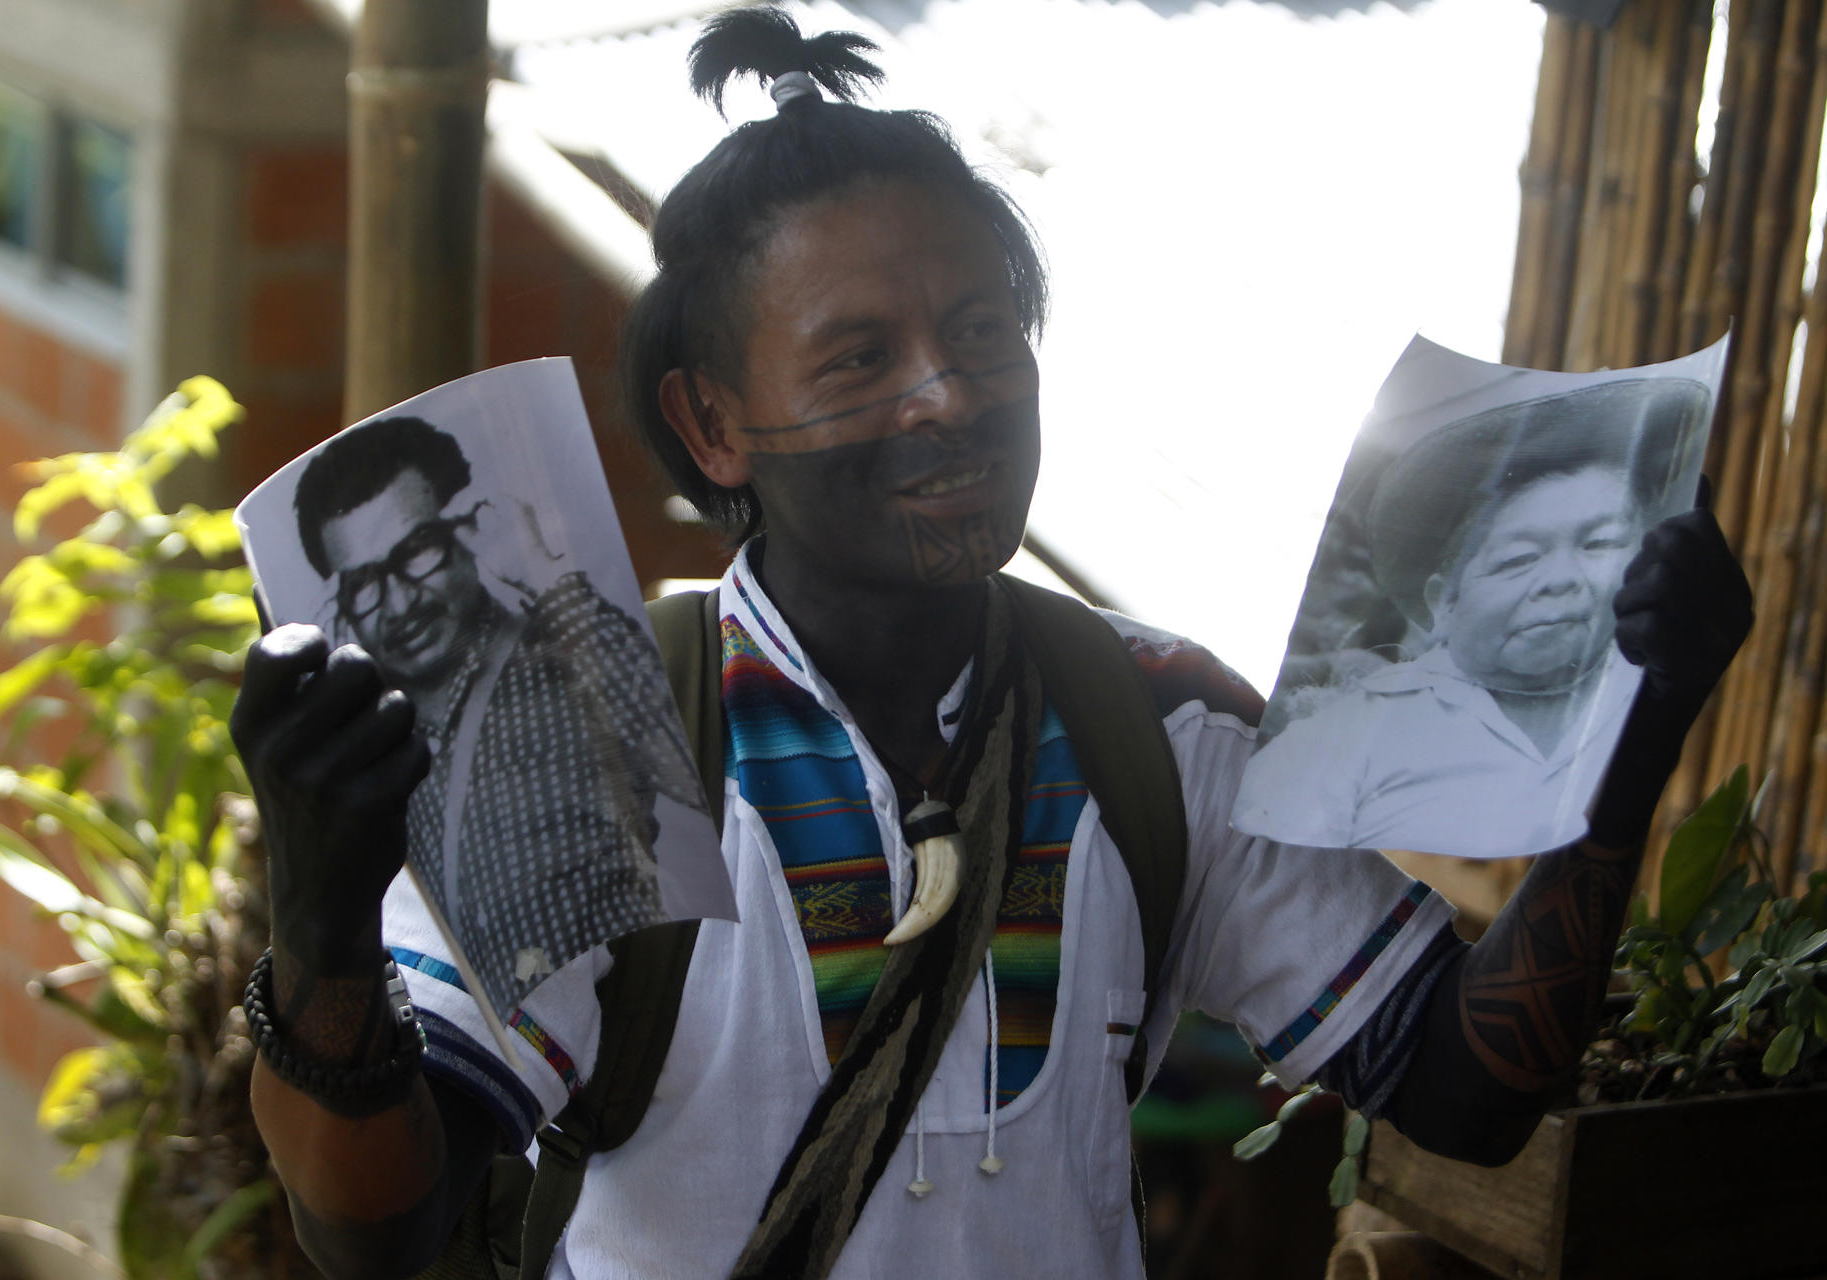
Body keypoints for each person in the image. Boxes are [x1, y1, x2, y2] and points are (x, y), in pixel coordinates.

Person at [228, 12, 1753, 1279]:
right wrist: (321, 916)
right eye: (861, 356)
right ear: (713, 422)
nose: (946, 397)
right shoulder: (605, 754)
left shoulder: (1155, 731)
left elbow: (1462, 1091)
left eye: (979, 335)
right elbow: (377, 1229)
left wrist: (1631, 735)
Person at [292, 414, 704, 1015]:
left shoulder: (567, 658)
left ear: (470, 530)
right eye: (365, 583)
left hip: (617, 1046)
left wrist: (550, 577)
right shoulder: (370, 743)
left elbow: (685, 775)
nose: (400, 601)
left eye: (417, 552)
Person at [1237, 379, 1710, 857]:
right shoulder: (1348, 739)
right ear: (1445, 603)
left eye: (1600, 544)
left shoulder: (1644, 699)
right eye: (1518, 559)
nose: (1561, 580)